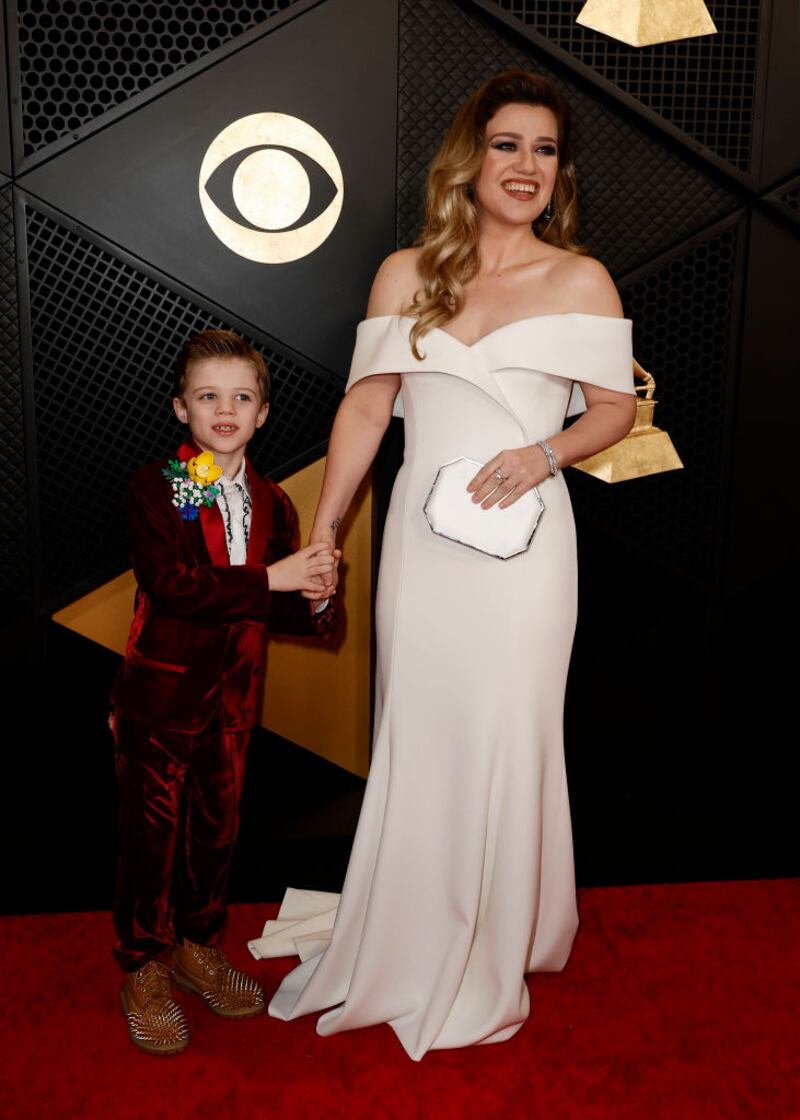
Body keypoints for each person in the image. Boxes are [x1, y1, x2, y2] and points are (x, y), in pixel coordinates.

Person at [252, 71, 636, 1060]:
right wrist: (327, 531)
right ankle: (413, 926)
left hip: (527, 548)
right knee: (419, 727)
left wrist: (541, 453)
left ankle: (495, 935)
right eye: (506, 145)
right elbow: (366, 409)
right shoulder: (403, 272)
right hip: (423, 551)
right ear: (470, 159)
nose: (525, 167)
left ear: (559, 174)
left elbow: (612, 408)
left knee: (506, 729)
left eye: (543, 150)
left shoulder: (580, 279)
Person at [110, 328, 338, 1055]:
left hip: (235, 706)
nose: (226, 409)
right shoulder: (159, 487)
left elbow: (275, 606)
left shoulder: (273, 501)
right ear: (182, 409)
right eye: (209, 396)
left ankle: (197, 946)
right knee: (151, 841)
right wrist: (275, 579)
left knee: (215, 835)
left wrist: (320, 596)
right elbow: (173, 587)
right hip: (159, 702)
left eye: (242, 397)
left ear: (264, 413)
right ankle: (143, 965)